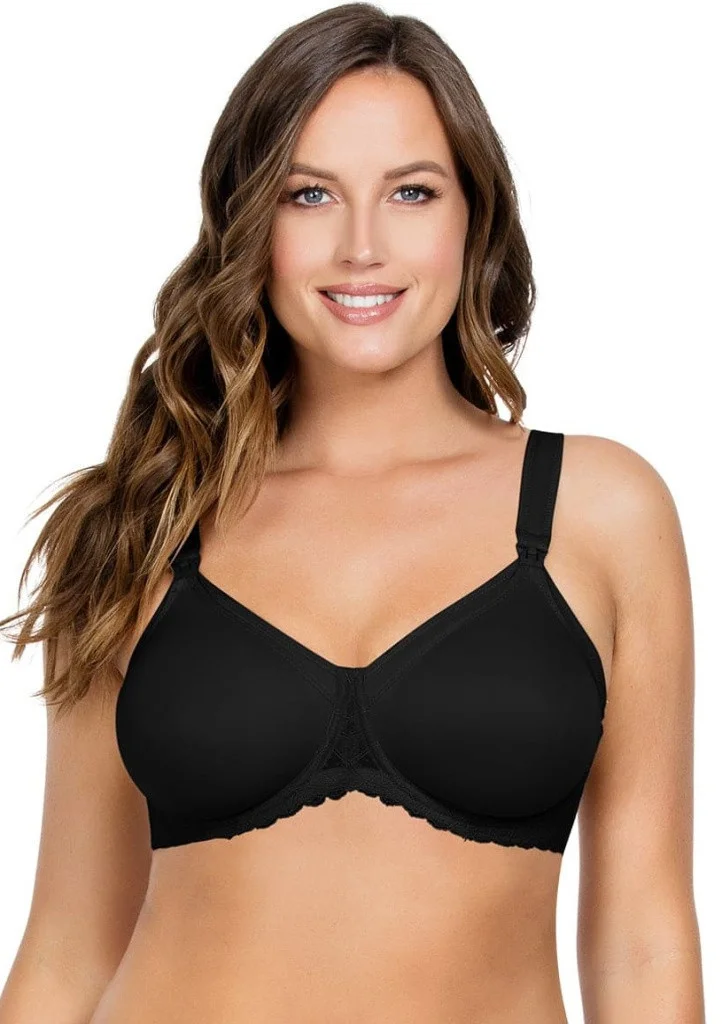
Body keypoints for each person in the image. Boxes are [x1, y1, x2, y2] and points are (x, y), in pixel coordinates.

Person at [0, 4, 705, 1022]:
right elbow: (66, 949)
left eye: (411, 192)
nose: (361, 245)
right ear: (253, 223)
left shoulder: (600, 513)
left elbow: (643, 941)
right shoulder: (145, 516)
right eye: (310, 194)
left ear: (474, 218)